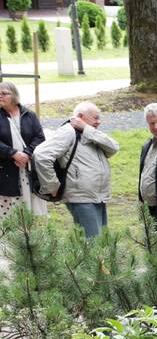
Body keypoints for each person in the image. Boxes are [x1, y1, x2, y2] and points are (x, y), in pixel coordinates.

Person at [34, 101, 119, 239]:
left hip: (98, 196)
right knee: (93, 242)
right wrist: (52, 186)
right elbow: (41, 155)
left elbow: (114, 148)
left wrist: (87, 128)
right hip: (81, 197)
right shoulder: (68, 132)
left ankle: (101, 262)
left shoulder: (90, 132)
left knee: (101, 240)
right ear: (80, 116)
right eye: (95, 118)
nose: (99, 122)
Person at [0, 81, 45, 220]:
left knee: (30, 214)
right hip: (6, 171)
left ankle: (28, 239)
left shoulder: (29, 115)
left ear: (14, 95)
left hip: (28, 170)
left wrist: (26, 154)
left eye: (4, 93)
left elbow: (39, 137)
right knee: (8, 215)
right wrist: (12, 153)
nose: (0, 96)